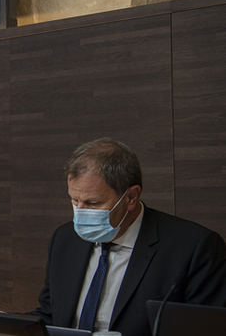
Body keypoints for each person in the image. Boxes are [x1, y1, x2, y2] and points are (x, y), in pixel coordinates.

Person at [30, 138, 226, 336]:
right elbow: (50, 316)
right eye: (74, 200)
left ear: (131, 197)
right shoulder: (64, 240)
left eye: (93, 203)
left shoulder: (194, 247)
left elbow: (206, 331)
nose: (80, 212)